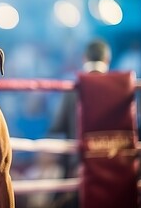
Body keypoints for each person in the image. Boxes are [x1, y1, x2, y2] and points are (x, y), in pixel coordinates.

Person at [48, 39, 111, 208]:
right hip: (110, 164)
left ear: (84, 59)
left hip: (77, 165)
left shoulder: (73, 86)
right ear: (107, 60)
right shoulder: (119, 86)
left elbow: (57, 126)